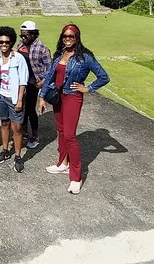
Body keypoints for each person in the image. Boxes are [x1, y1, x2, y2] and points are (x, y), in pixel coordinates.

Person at [38, 24, 110, 195]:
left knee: (70, 136)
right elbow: (50, 76)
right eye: (65, 36)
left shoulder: (85, 57)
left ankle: (76, 177)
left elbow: (104, 77)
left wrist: (88, 88)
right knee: (61, 131)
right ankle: (63, 164)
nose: (68, 39)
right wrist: (42, 96)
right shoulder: (60, 54)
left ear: (77, 38)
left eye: (71, 36)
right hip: (58, 97)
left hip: (72, 97)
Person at [0, 27, 29, 172]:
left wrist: (19, 100)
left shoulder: (18, 58)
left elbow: (23, 81)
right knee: (4, 124)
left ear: (11, 42)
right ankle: (5, 150)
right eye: (1, 42)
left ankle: (18, 156)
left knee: (17, 127)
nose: (4, 44)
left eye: (7, 42)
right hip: (0, 95)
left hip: (14, 97)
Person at [17, 20, 52, 149]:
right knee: (21, 109)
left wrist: (42, 82)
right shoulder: (20, 45)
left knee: (30, 110)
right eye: (21, 35)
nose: (23, 37)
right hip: (22, 82)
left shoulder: (42, 48)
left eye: (25, 35)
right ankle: (24, 132)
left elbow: (50, 69)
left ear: (33, 34)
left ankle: (35, 136)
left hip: (34, 83)